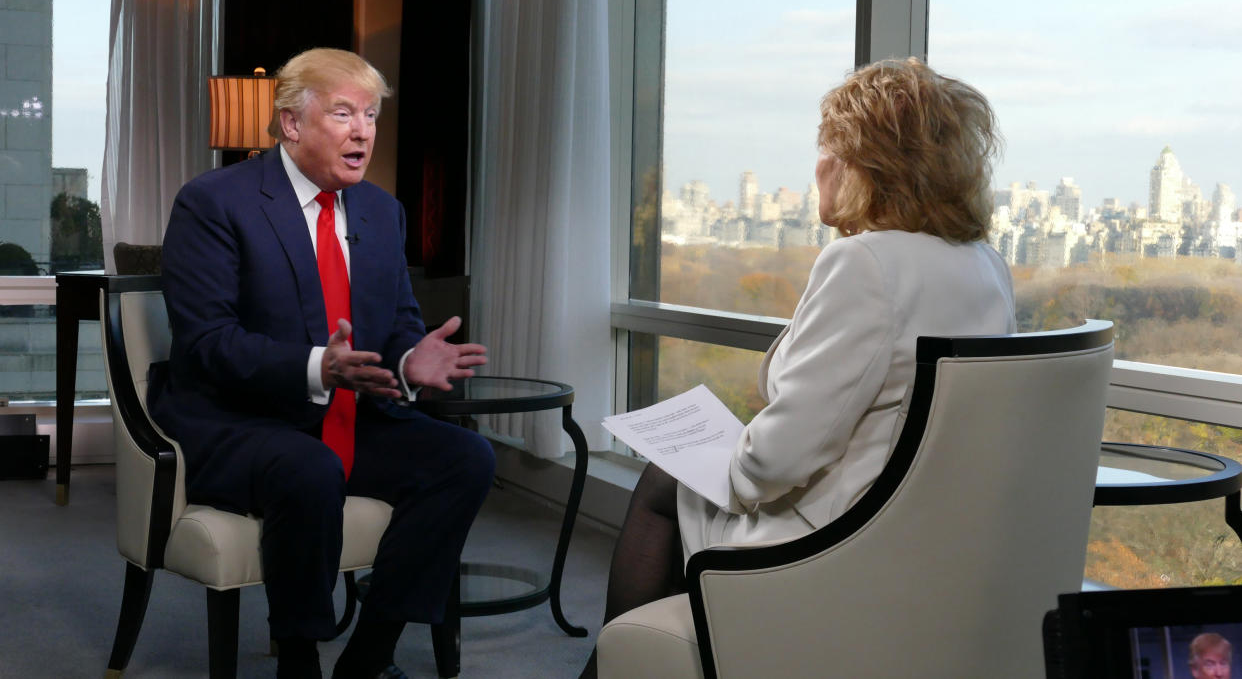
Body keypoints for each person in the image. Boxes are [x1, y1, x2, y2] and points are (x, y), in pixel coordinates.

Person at [581, 57, 1015, 676]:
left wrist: (721, 460)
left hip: (829, 543)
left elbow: (775, 464)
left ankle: (621, 664)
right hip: (912, 534)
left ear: (867, 164)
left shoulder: (865, 265)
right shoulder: (983, 265)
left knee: (659, 481)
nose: (818, 165)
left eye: (829, 147)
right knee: (679, 478)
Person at [149, 48, 495, 679]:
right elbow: (208, 344)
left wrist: (411, 360)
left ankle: (371, 653)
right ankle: (300, 659)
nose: (363, 130)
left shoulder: (380, 212)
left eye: (370, 114)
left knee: (465, 457)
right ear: (290, 124)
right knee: (306, 468)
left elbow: (397, 325)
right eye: (343, 113)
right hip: (238, 421)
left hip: (346, 414)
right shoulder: (214, 203)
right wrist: (318, 368)